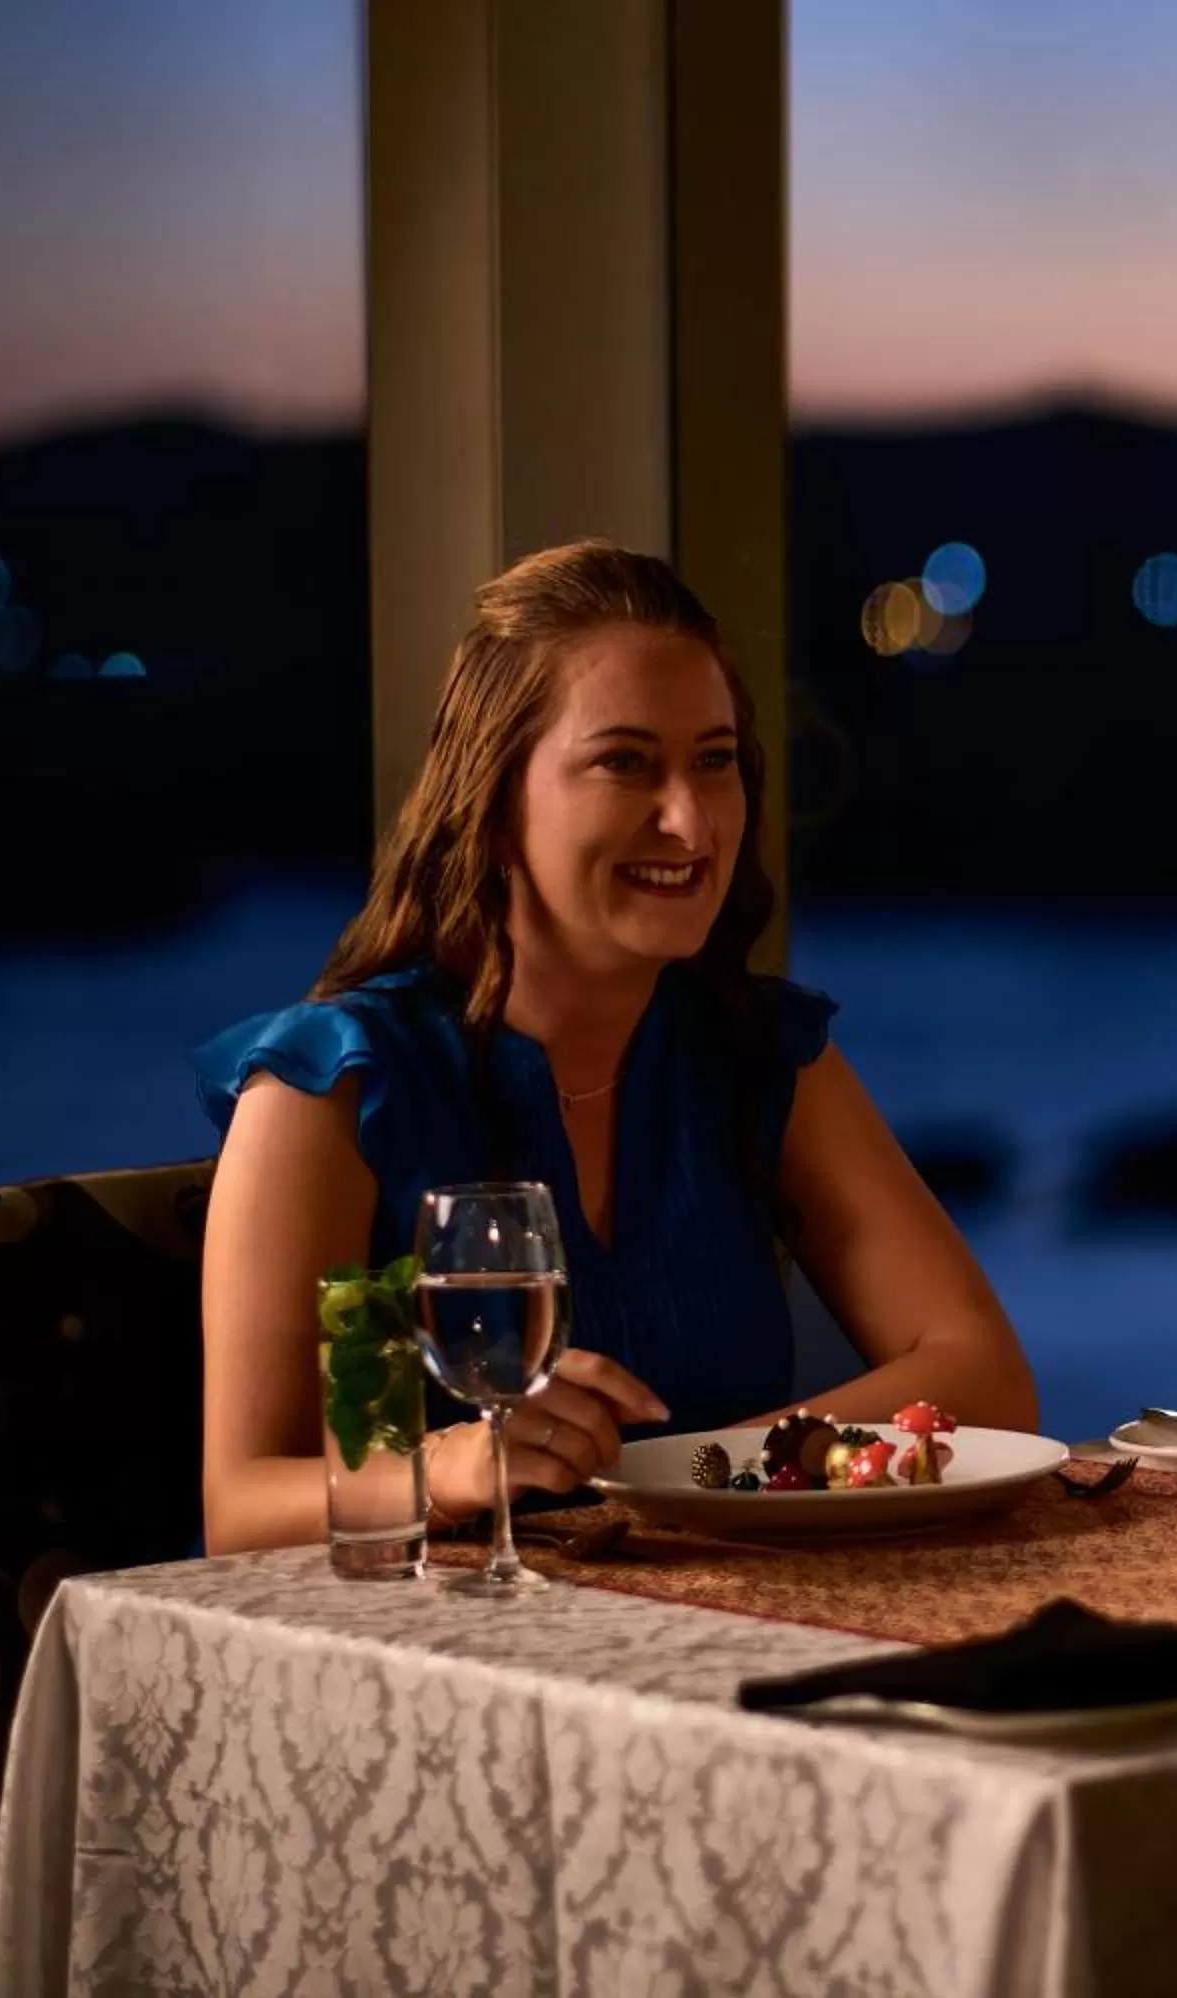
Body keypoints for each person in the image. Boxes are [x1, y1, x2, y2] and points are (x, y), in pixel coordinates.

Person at [196, 540, 1038, 1552]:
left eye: (715, 763)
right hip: (436, 1665)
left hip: (719, 1639)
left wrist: (689, 1476)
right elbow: (243, 1512)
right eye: (624, 763)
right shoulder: (337, 1087)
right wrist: (453, 1470)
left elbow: (982, 1372)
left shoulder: (760, 1052)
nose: (689, 822)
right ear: (495, 796)